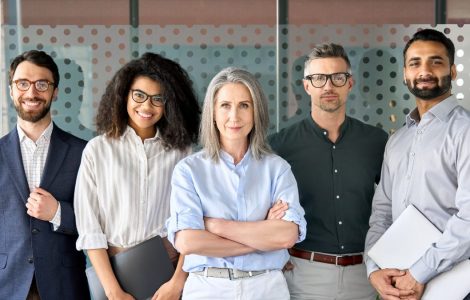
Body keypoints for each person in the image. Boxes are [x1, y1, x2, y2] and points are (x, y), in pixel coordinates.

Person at [166, 67, 307, 300]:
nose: (235, 116)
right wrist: (261, 236)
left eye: (244, 105)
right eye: (225, 105)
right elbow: (188, 241)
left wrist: (215, 226)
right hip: (208, 288)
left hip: (266, 287)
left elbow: (286, 236)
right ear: (212, 112)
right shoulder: (189, 170)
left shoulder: (277, 169)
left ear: (256, 112)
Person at [74, 52, 200, 300]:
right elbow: (90, 228)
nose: (146, 106)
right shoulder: (98, 150)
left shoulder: (181, 152)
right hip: (113, 275)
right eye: (139, 95)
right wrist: (114, 292)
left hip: (170, 272)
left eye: (157, 99)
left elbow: (192, 222)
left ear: (170, 103)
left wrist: (177, 283)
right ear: (123, 95)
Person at [269, 43, 388, 300]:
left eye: (337, 77)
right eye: (319, 78)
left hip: (363, 274)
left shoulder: (377, 142)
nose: (328, 86)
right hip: (303, 273)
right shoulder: (280, 146)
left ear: (350, 83)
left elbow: (394, 204)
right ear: (306, 86)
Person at [365, 28, 470, 300]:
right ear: (405, 73)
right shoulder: (397, 140)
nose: (424, 70)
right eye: (415, 63)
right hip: (399, 285)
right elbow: (382, 212)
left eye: (436, 61)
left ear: (453, 71)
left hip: (456, 285)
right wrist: (374, 268)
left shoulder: (465, 132)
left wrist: (418, 274)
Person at [0, 50, 89, 299]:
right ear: (11, 90)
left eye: (41, 84)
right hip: (7, 286)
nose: (31, 92)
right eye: (22, 84)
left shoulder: (83, 152)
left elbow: (99, 222)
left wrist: (58, 213)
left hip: (65, 285)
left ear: (55, 91)